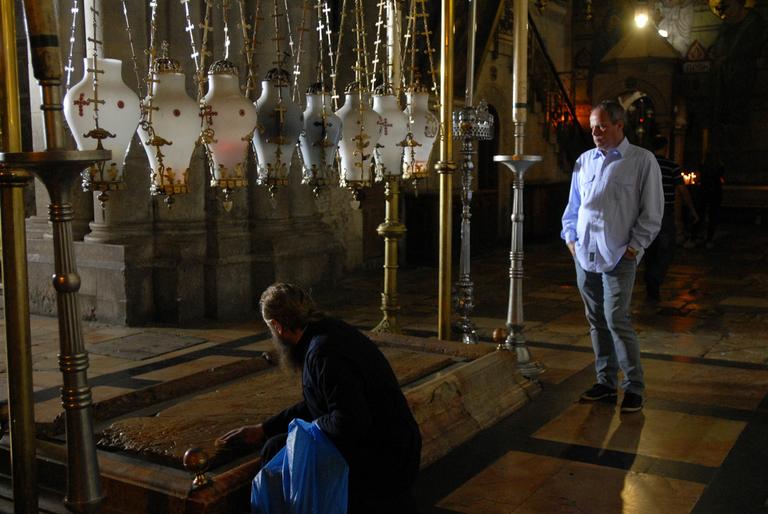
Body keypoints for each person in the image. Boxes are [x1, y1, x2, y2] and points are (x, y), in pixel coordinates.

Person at [217, 283, 421, 513]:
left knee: (275, 450)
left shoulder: (323, 353)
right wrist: (264, 428)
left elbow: (348, 421)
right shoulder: (328, 331)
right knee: (276, 441)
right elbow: (320, 403)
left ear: (277, 326)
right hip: (393, 445)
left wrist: (304, 431)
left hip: (383, 462)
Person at [561, 100, 664, 413]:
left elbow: (652, 212)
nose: (595, 132)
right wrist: (572, 241)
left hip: (619, 255)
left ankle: (634, 387)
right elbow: (573, 208)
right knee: (596, 320)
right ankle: (605, 383)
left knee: (617, 320)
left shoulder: (642, 161)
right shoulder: (584, 161)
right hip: (585, 256)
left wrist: (634, 248)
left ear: (620, 125)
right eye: (593, 126)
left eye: (602, 126)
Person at [644, 134, 699, 301]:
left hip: (646, 212)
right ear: (665, 148)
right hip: (664, 212)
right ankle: (655, 278)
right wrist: (692, 210)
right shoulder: (671, 166)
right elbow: (682, 190)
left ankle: (650, 283)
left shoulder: (644, 165)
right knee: (667, 248)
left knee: (650, 249)